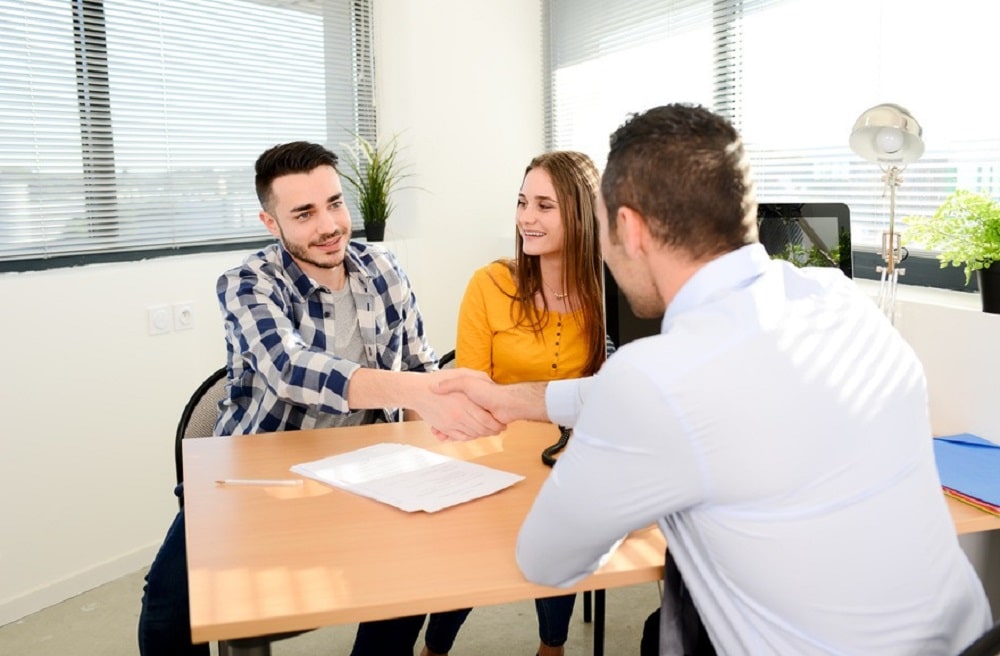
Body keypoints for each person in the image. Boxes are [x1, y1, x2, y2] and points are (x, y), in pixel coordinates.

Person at [435, 104, 992, 654]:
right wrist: (510, 400)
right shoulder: (841, 300)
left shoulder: (656, 380)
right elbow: (674, 392)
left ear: (628, 228)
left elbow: (547, 558)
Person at [137, 140, 503, 656]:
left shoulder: (384, 269)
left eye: (334, 203)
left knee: (414, 579)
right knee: (168, 610)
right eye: (304, 213)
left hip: (367, 467)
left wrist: (437, 445)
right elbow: (291, 368)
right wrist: (413, 386)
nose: (329, 225)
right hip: (254, 474)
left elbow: (419, 364)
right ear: (271, 223)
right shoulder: (246, 283)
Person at [420, 151, 608, 656]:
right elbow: (467, 389)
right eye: (523, 202)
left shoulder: (607, 294)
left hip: (567, 457)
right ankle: (435, 647)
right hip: (491, 450)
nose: (526, 217)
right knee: (469, 541)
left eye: (544, 205)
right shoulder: (490, 284)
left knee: (563, 517)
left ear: (583, 213)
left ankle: (553, 645)